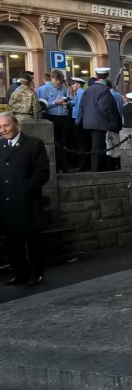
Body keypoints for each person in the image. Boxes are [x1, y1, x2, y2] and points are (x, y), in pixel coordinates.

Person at [0, 112, 50, 286]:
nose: (3, 130)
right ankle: (19, 273)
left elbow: (42, 173)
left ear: (16, 124)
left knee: (33, 242)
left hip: (27, 201)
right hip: (7, 202)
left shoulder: (33, 144)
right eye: (0, 127)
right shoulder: (1, 146)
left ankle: (37, 273)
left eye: (6, 125)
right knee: (14, 242)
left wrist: (25, 187)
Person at [79, 68, 120, 172]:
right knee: (98, 148)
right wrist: (111, 121)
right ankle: (97, 170)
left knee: (93, 148)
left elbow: (82, 105)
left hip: (87, 122)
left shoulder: (88, 89)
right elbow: (103, 107)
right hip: (99, 123)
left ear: (97, 76)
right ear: (106, 77)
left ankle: (94, 168)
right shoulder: (105, 90)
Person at [41, 70, 74, 173]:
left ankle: (64, 165)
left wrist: (68, 103)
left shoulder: (64, 89)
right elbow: (41, 104)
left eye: (60, 80)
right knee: (53, 142)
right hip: (50, 117)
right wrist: (55, 102)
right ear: (51, 78)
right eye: (56, 80)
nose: (58, 82)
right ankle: (53, 167)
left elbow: (73, 101)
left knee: (63, 142)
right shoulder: (44, 89)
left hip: (63, 117)